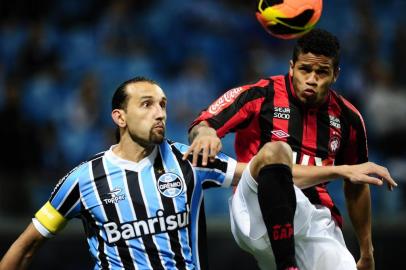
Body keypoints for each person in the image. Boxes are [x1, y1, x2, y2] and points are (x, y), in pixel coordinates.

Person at [185, 29, 397, 270]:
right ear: (291, 67)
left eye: (322, 72)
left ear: (335, 75)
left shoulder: (349, 118)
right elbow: (202, 124)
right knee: (277, 151)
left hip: (314, 217)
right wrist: (205, 134)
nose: (312, 79)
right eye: (305, 69)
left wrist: (366, 251)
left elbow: (356, 186)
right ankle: (288, 266)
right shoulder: (261, 94)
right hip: (256, 210)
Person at [0, 77, 248, 270]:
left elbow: (259, 174)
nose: (160, 113)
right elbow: (27, 245)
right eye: (147, 104)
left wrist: (275, 155)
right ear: (120, 117)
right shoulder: (82, 180)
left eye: (162, 104)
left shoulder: (189, 160)